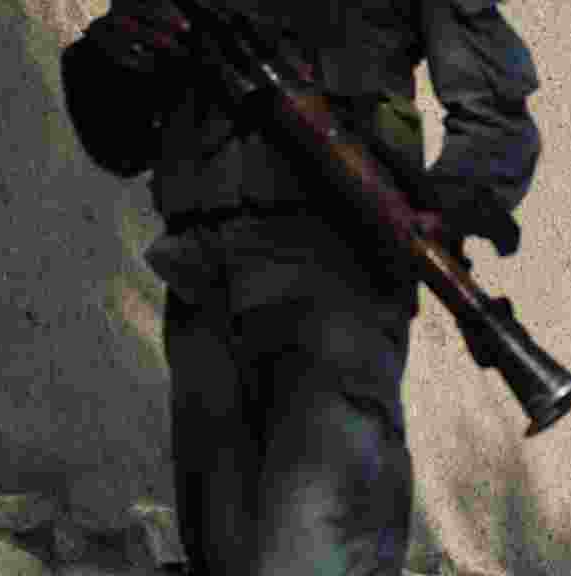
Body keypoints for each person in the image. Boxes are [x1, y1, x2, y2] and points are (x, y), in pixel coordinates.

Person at [59, 0, 541, 574]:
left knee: (323, 549)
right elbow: (119, 144)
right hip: (202, 283)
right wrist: (115, 53)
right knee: (221, 552)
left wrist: (448, 209)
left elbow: (496, 116)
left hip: (338, 289)